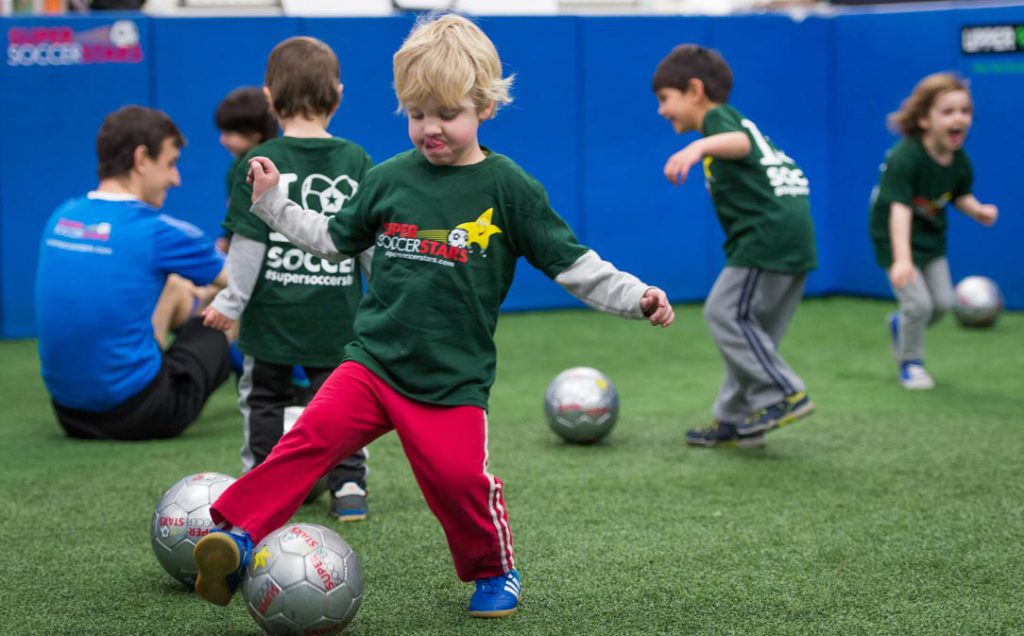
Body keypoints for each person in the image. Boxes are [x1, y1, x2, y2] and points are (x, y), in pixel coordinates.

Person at [191, 13, 674, 619]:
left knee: (458, 484)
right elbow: (331, 238)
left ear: (485, 108)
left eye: (446, 114)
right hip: (373, 363)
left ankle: (494, 570)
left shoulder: (509, 187)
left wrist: (636, 296)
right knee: (305, 440)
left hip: (450, 380)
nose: (430, 128)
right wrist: (274, 204)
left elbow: (571, 262)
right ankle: (235, 533)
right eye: (417, 114)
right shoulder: (388, 177)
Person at [201, 36, 375, 522]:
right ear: (337, 96)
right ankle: (348, 487)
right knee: (343, 406)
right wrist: (383, 299)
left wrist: (233, 301)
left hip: (270, 317)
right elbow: (368, 244)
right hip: (338, 318)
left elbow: (248, 243)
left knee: (264, 402)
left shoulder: (253, 162)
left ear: (270, 98)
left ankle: (263, 485)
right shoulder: (358, 161)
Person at [652, 44, 816, 448]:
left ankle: (784, 393)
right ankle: (734, 416)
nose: (661, 111)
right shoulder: (729, 125)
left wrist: (698, 146)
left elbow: (738, 141)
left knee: (724, 312)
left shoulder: (720, 120)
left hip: (767, 239)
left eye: (664, 99)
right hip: (791, 238)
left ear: (694, 90)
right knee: (754, 336)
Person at [35, 105, 231, 440]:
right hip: (139, 414)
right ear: (141, 159)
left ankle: (195, 301)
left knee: (174, 283)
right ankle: (282, 388)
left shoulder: (62, 216)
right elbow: (246, 280)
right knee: (235, 306)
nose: (176, 178)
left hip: (67, 413)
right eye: (170, 164)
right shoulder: (157, 231)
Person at [868, 73, 998, 389]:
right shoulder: (905, 157)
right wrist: (901, 260)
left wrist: (977, 210)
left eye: (965, 111)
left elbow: (958, 195)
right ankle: (910, 363)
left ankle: (902, 325)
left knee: (941, 304)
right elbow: (898, 209)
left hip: (930, 237)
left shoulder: (959, 161)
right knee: (919, 305)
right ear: (925, 120)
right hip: (894, 237)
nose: (959, 119)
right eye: (948, 111)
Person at [213, 86, 278, 254]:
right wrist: (226, 239)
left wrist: (227, 241)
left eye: (229, 133)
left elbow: (240, 221)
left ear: (254, 133)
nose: (222, 140)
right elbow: (236, 215)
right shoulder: (237, 167)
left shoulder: (242, 169)